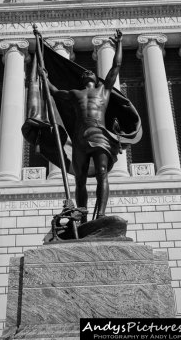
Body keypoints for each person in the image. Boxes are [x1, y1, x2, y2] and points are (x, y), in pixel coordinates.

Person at [46, 30, 123, 219]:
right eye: (85, 72)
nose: (88, 72)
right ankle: (82, 216)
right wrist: (44, 76)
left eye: (91, 71)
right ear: (82, 79)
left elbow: (116, 67)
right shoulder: (75, 94)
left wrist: (119, 44)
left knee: (102, 173)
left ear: (96, 79)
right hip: (80, 137)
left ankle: (101, 215)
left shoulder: (103, 91)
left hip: (99, 133)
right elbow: (55, 93)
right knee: (79, 179)